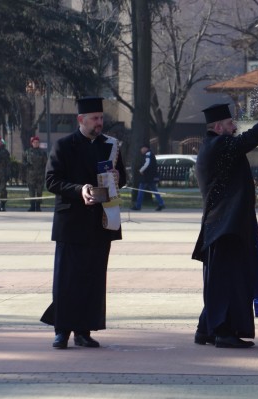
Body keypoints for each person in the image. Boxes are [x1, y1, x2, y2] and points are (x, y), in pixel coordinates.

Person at [192, 103, 258, 349]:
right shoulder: (219, 145)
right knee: (230, 281)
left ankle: (205, 329)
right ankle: (223, 332)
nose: (235, 128)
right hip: (225, 227)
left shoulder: (214, 146)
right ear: (218, 127)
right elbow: (250, 139)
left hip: (223, 226)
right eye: (230, 124)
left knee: (221, 280)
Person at [40, 96, 127, 349]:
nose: (99, 123)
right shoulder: (64, 145)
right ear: (81, 120)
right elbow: (52, 181)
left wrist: (118, 177)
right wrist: (81, 189)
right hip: (72, 222)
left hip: (100, 222)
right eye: (95, 119)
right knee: (67, 279)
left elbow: (120, 180)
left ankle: (84, 330)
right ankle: (62, 330)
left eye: (101, 118)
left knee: (93, 278)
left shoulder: (110, 145)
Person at [131, 144, 165, 211]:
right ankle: (161, 204)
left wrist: (141, 170)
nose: (141, 150)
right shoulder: (150, 154)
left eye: (142, 148)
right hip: (151, 176)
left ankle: (138, 206)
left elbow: (147, 163)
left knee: (141, 190)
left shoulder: (148, 154)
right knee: (154, 190)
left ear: (145, 148)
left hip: (146, 177)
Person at [22, 136, 48, 211]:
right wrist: (26, 164)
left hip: (40, 175)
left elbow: (46, 163)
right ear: (32, 143)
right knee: (31, 191)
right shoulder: (27, 152)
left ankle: (38, 206)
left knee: (39, 191)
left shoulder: (42, 153)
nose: (36, 144)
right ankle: (32, 206)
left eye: (37, 142)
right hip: (30, 175)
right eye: (34, 142)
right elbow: (23, 162)